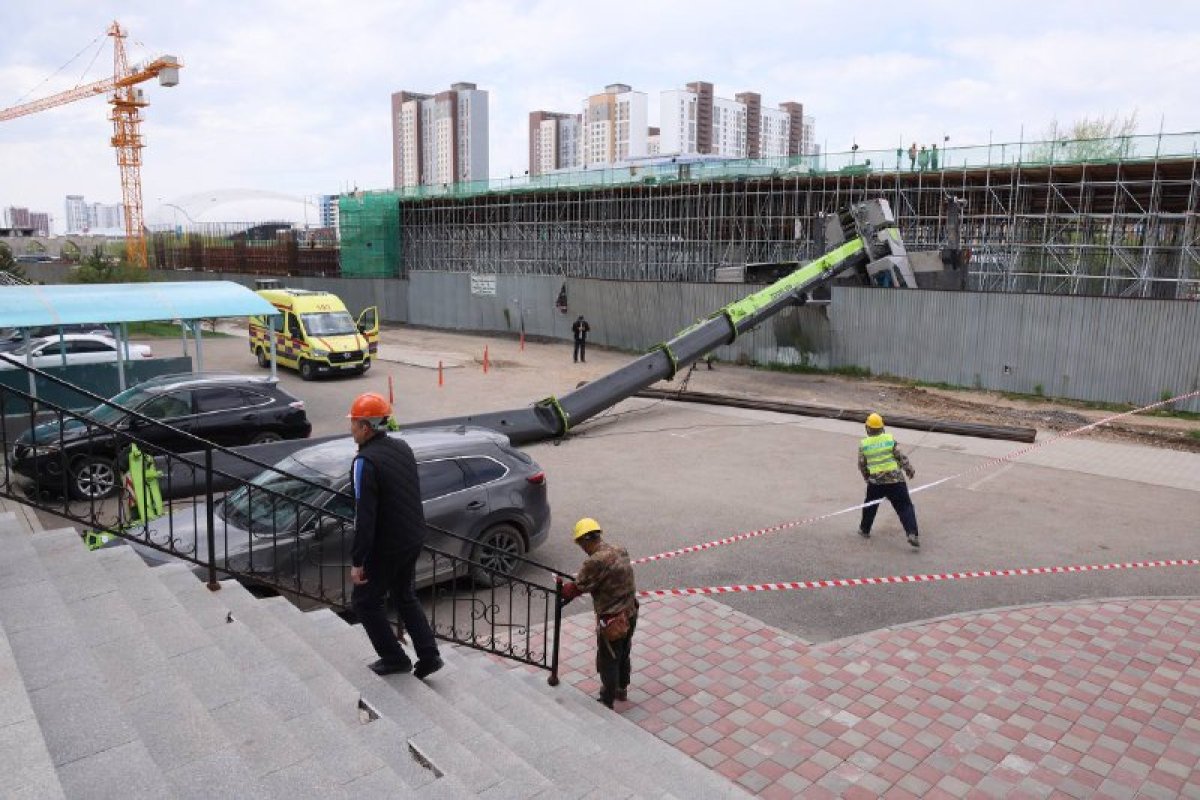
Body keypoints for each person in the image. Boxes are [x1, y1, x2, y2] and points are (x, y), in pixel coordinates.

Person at [347, 392, 443, 678]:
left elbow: (365, 517)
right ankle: (429, 655)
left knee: (364, 601)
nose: (351, 429)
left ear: (366, 427)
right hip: (413, 536)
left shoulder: (364, 462)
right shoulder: (402, 447)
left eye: (353, 423)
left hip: (387, 544)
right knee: (404, 595)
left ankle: (394, 658)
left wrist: (358, 560)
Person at [561, 518, 638, 708]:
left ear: (586, 540)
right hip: (631, 611)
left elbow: (576, 588)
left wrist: (561, 589)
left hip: (612, 619)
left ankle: (607, 699)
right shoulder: (620, 549)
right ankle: (622, 689)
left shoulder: (595, 561)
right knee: (624, 651)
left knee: (608, 659)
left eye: (580, 543)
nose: (582, 548)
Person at [857, 413, 920, 548]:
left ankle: (864, 529)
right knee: (905, 507)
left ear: (867, 428)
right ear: (882, 427)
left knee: (870, 505)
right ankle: (912, 533)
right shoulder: (889, 439)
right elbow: (900, 456)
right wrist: (909, 469)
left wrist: (867, 478)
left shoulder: (864, 444)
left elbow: (862, 465)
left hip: (876, 483)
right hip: (896, 480)